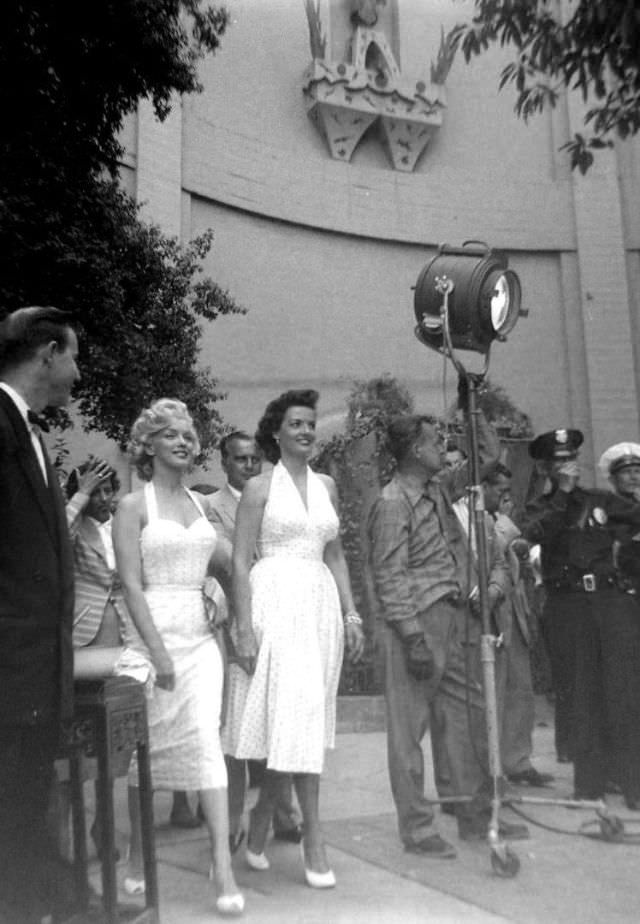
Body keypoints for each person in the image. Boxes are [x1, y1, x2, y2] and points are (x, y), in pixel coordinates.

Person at [368, 409, 530, 854]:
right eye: (435, 442)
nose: (443, 448)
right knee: (407, 733)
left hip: (453, 619)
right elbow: (389, 574)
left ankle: (473, 813)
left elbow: (489, 457)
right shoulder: (393, 502)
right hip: (416, 626)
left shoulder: (437, 491)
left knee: (467, 718)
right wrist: (412, 636)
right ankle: (418, 828)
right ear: (414, 451)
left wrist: (470, 404)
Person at [113, 398, 244, 916]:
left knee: (208, 744)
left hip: (200, 640)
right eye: (172, 435)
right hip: (153, 636)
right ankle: (135, 861)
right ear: (150, 445)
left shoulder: (200, 504)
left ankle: (224, 869)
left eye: (189, 435)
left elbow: (219, 563)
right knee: (147, 756)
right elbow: (128, 584)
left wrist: (217, 591)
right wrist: (157, 653)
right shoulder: (132, 506)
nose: (185, 442)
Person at [232, 389, 365, 888]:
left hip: (320, 607)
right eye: (296, 424)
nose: (306, 431)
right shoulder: (258, 489)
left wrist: (352, 614)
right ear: (276, 432)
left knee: (305, 717)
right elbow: (242, 561)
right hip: (275, 604)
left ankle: (264, 816)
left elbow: (335, 555)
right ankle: (314, 838)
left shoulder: (327, 485)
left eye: (311, 424)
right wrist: (243, 628)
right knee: (293, 720)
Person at [0, 305, 80, 924]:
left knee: (26, 809)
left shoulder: (27, 429)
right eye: (72, 357)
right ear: (47, 353)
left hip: (34, 673)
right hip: (9, 669)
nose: (77, 374)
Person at [522, 429, 640, 806]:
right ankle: (590, 787)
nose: (567, 464)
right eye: (558, 460)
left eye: (570, 456)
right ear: (544, 467)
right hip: (568, 605)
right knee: (580, 693)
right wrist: (562, 494)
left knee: (623, 691)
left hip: (610, 601)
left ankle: (633, 783)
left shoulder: (600, 499)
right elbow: (534, 534)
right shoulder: (542, 507)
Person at [209, 431, 303, 858]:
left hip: (281, 621)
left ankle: (283, 812)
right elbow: (230, 560)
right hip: (235, 624)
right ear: (224, 462)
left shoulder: (276, 498)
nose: (248, 466)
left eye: (254, 459)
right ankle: (231, 824)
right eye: (239, 459)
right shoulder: (211, 508)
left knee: (279, 717)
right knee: (237, 727)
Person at [483, 464, 553, 787]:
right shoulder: (472, 519)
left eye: (509, 492)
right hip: (491, 613)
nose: (506, 498)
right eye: (500, 491)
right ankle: (492, 767)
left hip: (516, 611)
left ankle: (518, 760)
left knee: (520, 689)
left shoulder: (504, 520)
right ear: (483, 487)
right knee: (494, 689)